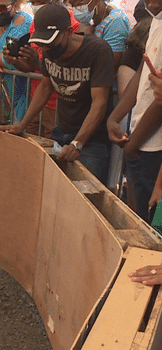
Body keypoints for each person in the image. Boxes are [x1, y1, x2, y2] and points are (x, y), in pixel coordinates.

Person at [0, 3, 114, 184]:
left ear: (69, 32)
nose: (47, 49)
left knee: (87, 200)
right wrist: (21, 125)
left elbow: (99, 102)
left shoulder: (98, 51)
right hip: (62, 130)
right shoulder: (50, 48)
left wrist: (77, 143)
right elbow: (45, 87)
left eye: (51, 42)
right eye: (43, 43)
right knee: (53, 187)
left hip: (92, 139)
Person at [106, 0, 162, 222]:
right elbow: (143, 72)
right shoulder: (156, 23)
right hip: (141, 144)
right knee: (141, 218)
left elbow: (159, 100)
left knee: (152, 225)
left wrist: (132, 147)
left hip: (151, 147)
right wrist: (115, 117)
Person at [2, 0, 80, 137]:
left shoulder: (72, 23)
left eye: (41, 1)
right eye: (34, 1)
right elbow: (30, 68)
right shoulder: (35, 23)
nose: (37, 4)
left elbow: (67, 69)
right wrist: (14, 61)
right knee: (30, 145)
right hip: (35, 99)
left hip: (58, 104)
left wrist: (38, 63)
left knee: (51, 150)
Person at [67, 0, 130, 73]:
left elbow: (109, 67)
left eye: (79, 5)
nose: (76, 11)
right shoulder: (93, 21)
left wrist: (86, 39)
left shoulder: (116, 22)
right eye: (72, 5)